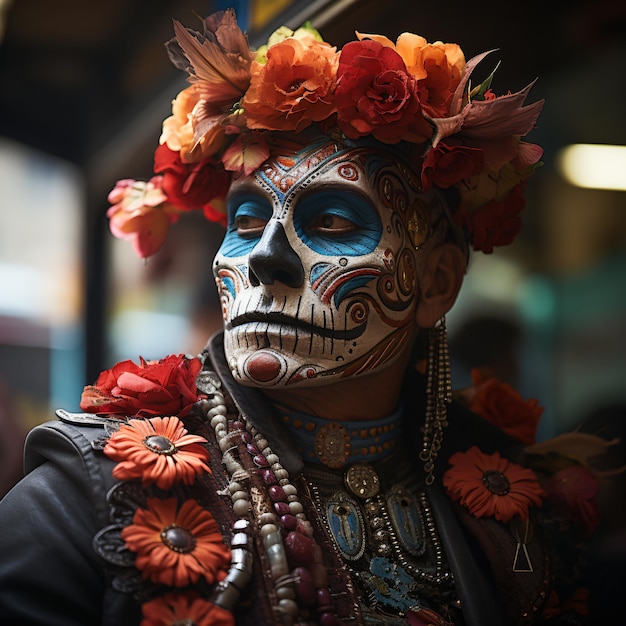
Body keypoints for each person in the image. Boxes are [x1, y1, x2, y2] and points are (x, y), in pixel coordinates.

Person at [0, 9, 616, 626]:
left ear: (437, 280)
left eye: (332, 222)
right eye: (245, 222)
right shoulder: (88, 496)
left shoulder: (522, 504)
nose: (266, 258)